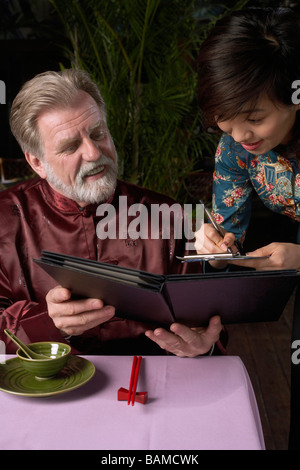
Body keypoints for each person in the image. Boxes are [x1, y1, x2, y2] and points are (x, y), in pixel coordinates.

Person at [0, 68, 222, 358]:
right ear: (36, 162)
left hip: (156, 385)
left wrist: (202, 345)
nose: (93, 153)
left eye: (98, 133)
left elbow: (206, 322)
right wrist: (47, 321)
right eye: (70, 146)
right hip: (43, 389)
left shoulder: (170, 216)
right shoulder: (5, 220)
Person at [194, 7, 300, 448]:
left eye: (254, 118)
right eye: (226, 119)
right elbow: (227, 227)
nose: (239, 135)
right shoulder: (237, 148)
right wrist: (215, 246)